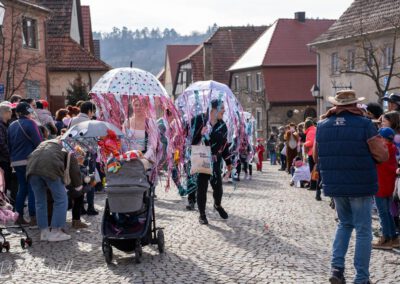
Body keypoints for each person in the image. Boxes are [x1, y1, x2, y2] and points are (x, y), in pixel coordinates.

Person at [314, 90, 388, 284]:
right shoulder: (364, 125)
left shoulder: (322, 125)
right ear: (355, 105)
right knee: (363, 230)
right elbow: (382, 155)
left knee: (344, 224)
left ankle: (337, 269)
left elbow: (315, 157)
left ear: (336, 105)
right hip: (361, 183)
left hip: (336, 184)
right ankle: (361, 277)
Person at [27, 138, 82, 241]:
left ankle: (44, 232)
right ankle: (56, 232)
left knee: (40, 201)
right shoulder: (67, 146)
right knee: (61, 200)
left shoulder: (44, 143)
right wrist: (78, 186)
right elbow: (74, 167)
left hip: (32, 169)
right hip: (51, 169)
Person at [194, 99, 232, 225]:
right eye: (221, 108)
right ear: (213, 109)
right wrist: (200, 134)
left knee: (218, 188)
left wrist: (228, 162)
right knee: (202, 187)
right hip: (202, 158)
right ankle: (202, 215)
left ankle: (217, 205)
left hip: (216, 161)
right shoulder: (200, 121)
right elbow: (191, 141)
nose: (224, 110)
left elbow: (225, 146)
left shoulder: (223, 125)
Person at [8, 102, 43, 225]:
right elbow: (39, 143)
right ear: (28, 112)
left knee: (21, 188)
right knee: (32, 188)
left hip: (16, 162)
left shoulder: (12, 125)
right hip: (30, 160)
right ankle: (33, 217)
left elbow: (9, 145)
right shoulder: (31, 123)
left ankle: (18, 216)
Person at [372, 127, 400, 250]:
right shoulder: (393, 149)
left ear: (383, 139)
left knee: (382, 213)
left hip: (380, 186)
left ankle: (386, 238)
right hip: (389, 186)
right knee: (387, 212)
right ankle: (393, 237)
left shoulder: (381, 152)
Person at [0, 104, 12, 200]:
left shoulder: (4, 125)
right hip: (3, 160)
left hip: (4, 158)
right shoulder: (1, 126)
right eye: (10, 111)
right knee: (3, 184)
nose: (11, 113)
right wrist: (9, 155)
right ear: (5, 113)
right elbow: (1, 143)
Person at [303, 119, 316, 190]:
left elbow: (311, 142)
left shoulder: (310, 132)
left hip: (312, 152)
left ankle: (313, 185)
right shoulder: (315, 129)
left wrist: (304, 144)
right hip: (314, 152)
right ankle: (313, 184)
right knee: (315, 169)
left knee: (312, 170)